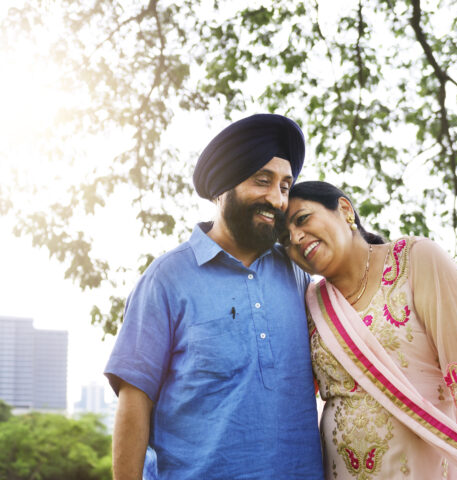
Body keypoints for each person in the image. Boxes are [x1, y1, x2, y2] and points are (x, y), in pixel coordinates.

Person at [104, 114, 324, 479]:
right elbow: (134, 402)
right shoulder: (165, 279)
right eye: (262, 181)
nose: (276, 199)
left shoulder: (298, 274)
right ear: (223, 187)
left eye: (285, 187)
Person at [284, 180, 457, 480]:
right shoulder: (311, 304)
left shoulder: (417, 261)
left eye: (302, 219)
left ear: (345, 210)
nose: (295, 237)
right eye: (284, 238)